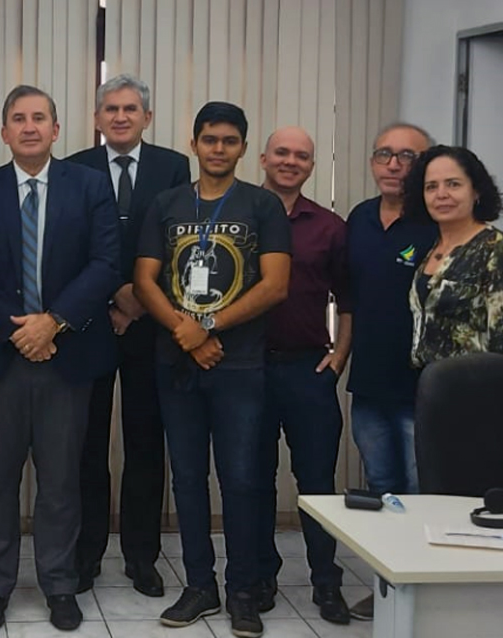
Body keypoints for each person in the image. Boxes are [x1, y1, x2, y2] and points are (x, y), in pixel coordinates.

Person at [0, 84, 121, 633]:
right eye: (18, 119)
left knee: (61, 480)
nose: (29, 127)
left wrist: (54, 322)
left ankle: (59, 584)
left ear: (56, 129)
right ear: (3, 133)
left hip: (67, 358)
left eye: (39, 118)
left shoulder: (90, 187)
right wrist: (20, 330)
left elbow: (105, 261)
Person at [134, 101, 291, 638]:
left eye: (229, 140)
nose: (218, 148)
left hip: (240, 366)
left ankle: (243, 589)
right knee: (188, 480)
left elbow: (275, 284)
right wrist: (185, 332)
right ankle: (199, 585)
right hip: (175, 363)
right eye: (209, 139)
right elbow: (145, 280)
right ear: (194, 144)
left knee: (242, 481)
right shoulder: (167, 203)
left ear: (244, 148)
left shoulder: (262, 205)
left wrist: (210, 327)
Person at [67, 73, 190, 597]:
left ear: (147, 117)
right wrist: (112, 298)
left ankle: (142, 556)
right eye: (111, 109)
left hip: (151, 326)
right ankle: (85, 554)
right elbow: (69, 247)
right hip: (92, 325)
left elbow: (180, 241)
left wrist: (139, 302)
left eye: (130, 109)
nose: (120, 116)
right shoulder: (74, 168)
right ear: (96, 119)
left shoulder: (173, 168)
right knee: (85, 445)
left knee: (145, 444)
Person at [255, 127, 352, 624]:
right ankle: (262, 577)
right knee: (254, 480)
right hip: (246, 371)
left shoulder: (330, 227)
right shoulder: (239, 215)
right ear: (263, 158)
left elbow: (348, 299)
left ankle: (325, 582)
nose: (291, 161)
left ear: (312, 166)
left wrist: (339, 356)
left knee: (315, 482)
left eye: (302, 156)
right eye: (283, 153)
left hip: (306, 367)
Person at [344, 123, 437, 621]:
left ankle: (426, 597)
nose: (394, 164)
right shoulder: (359, 217)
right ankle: (387, 593)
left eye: (407, 156)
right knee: (382, 491)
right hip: (370, 383)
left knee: (424, 494)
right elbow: (349, 298)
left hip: (423, 388)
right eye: (385, 154)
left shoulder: (436, 223)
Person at [405, 145, 503, 367]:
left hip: (477, 390)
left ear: (476, 191)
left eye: (453, 184)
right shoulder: (432, 248)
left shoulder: (496, 250)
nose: (441, 194)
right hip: (431, 388)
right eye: (431, 187)